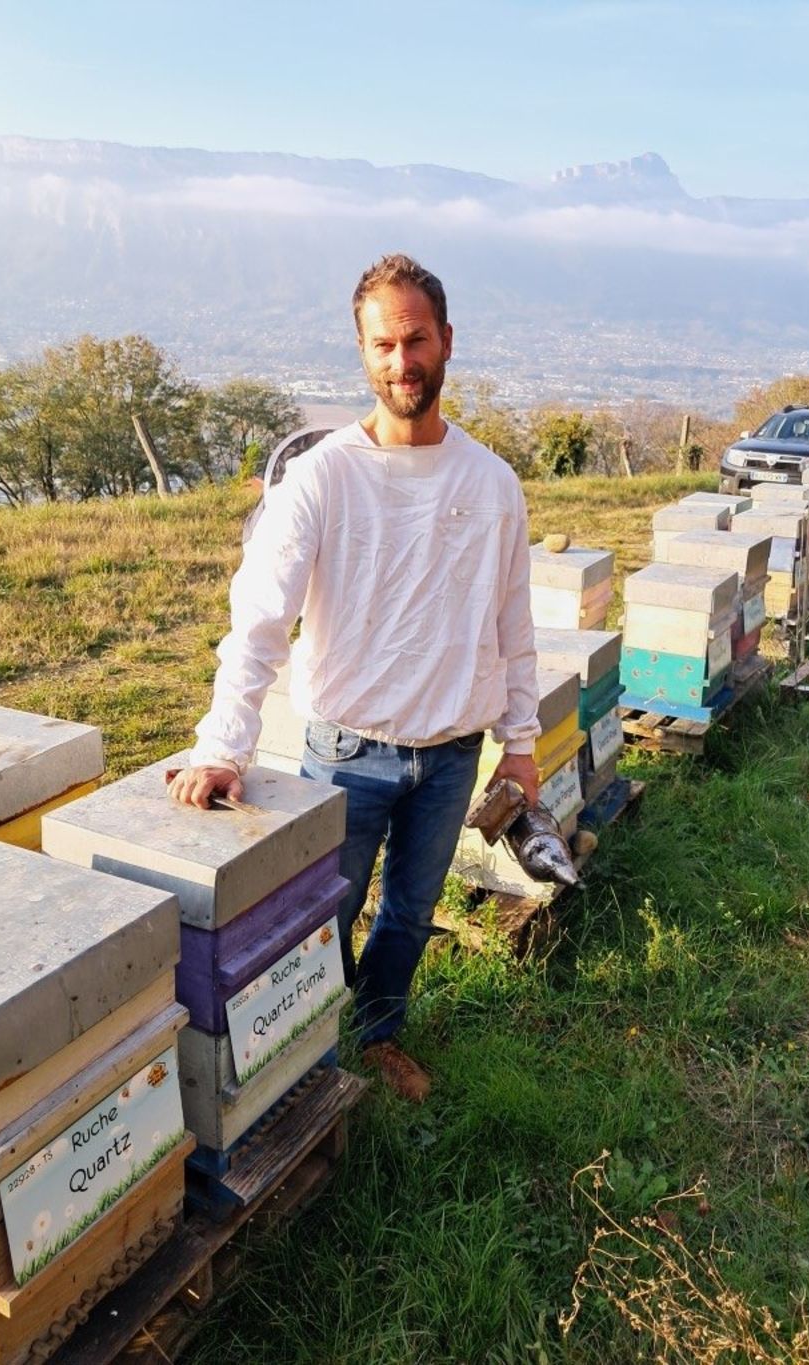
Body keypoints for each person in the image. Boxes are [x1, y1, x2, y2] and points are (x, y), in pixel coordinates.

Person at [169, 254, 540, 1102]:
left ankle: (374, 1035)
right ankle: (305, 1055)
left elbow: (513, 626)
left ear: (447, 341)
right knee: (319, 918)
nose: (402, 361)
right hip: (346, 750)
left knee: (409, 913)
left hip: (452, 755)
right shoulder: (323, 476)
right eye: (384, 344)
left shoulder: (493, 484)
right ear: (363, 352)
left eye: (416, 339)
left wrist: (520, 746)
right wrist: (222, 746)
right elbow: (260, 620)